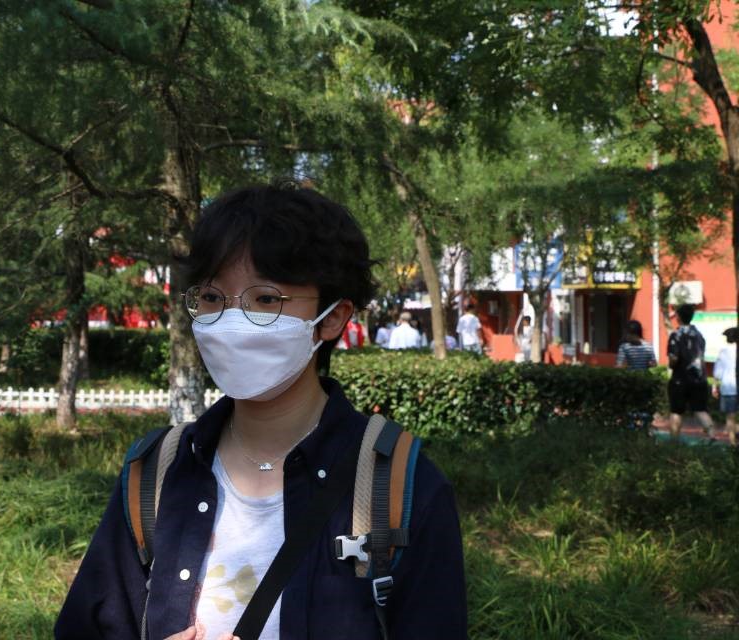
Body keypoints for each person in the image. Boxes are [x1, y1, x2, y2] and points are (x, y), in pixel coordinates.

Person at [55, 183, 467, 640]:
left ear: (333, 317)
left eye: (266, 300)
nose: (232, 321)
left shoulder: (400, 487)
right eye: (212, 298)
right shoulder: (155, 474)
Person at [666, 304, 714, 441]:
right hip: (699, 378)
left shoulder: (676, 335)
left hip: (680, 379)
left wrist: (671, 365)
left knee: (676, 411)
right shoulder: (699, 335)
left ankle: (674, 442)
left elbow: (674, 358)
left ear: (678, 317)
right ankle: (712, 436)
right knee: (700, 409)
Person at [712, 327, 738, 446]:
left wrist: (714, 387)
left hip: (728, 388)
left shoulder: (723, 352)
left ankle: (732, 444)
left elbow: (717, 372)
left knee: (730, 417)